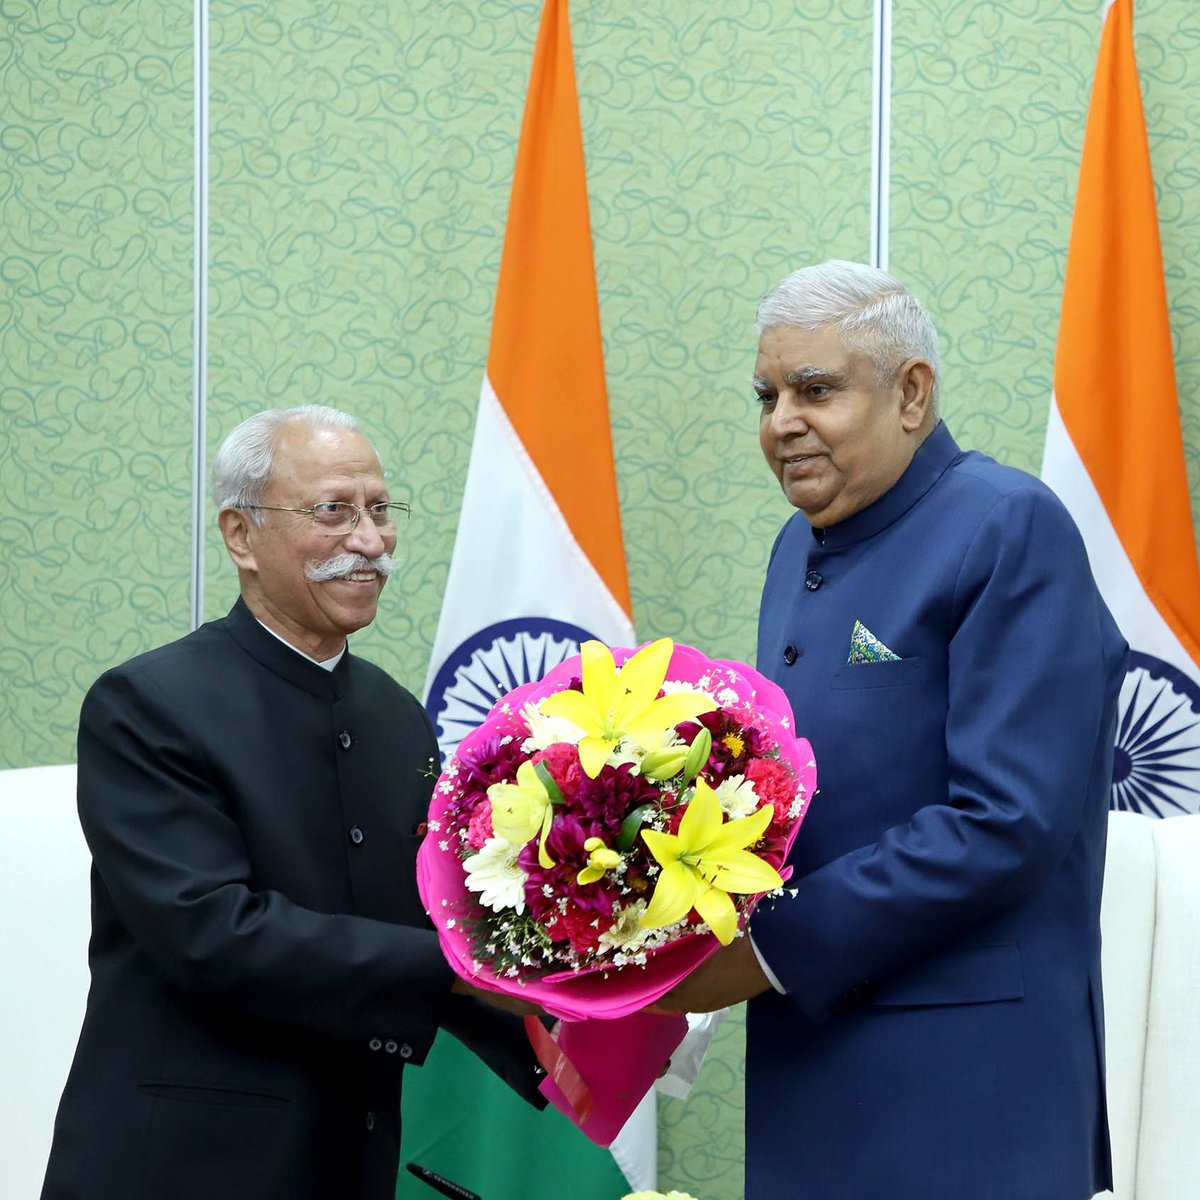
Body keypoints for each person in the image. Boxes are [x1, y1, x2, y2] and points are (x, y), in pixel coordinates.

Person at [662, 262, 1126, 1200]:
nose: (781, 420)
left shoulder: (1007, 525)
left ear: (911, 393)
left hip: (967, 1082)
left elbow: (1006, 819)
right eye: (767, 394)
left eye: (815, 390)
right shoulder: (798, 548)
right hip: (813, 1060)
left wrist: (764, 954)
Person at [41, 406, 543, 1200]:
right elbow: (212, 933)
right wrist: (456, 971)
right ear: (241, 535)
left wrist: (576, 1030)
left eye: (380, 510)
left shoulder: (394, 716)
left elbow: (423, 922)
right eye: (334, 511)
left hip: (349, 1158)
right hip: (181, 1166)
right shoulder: (146, 703)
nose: (371, 542)